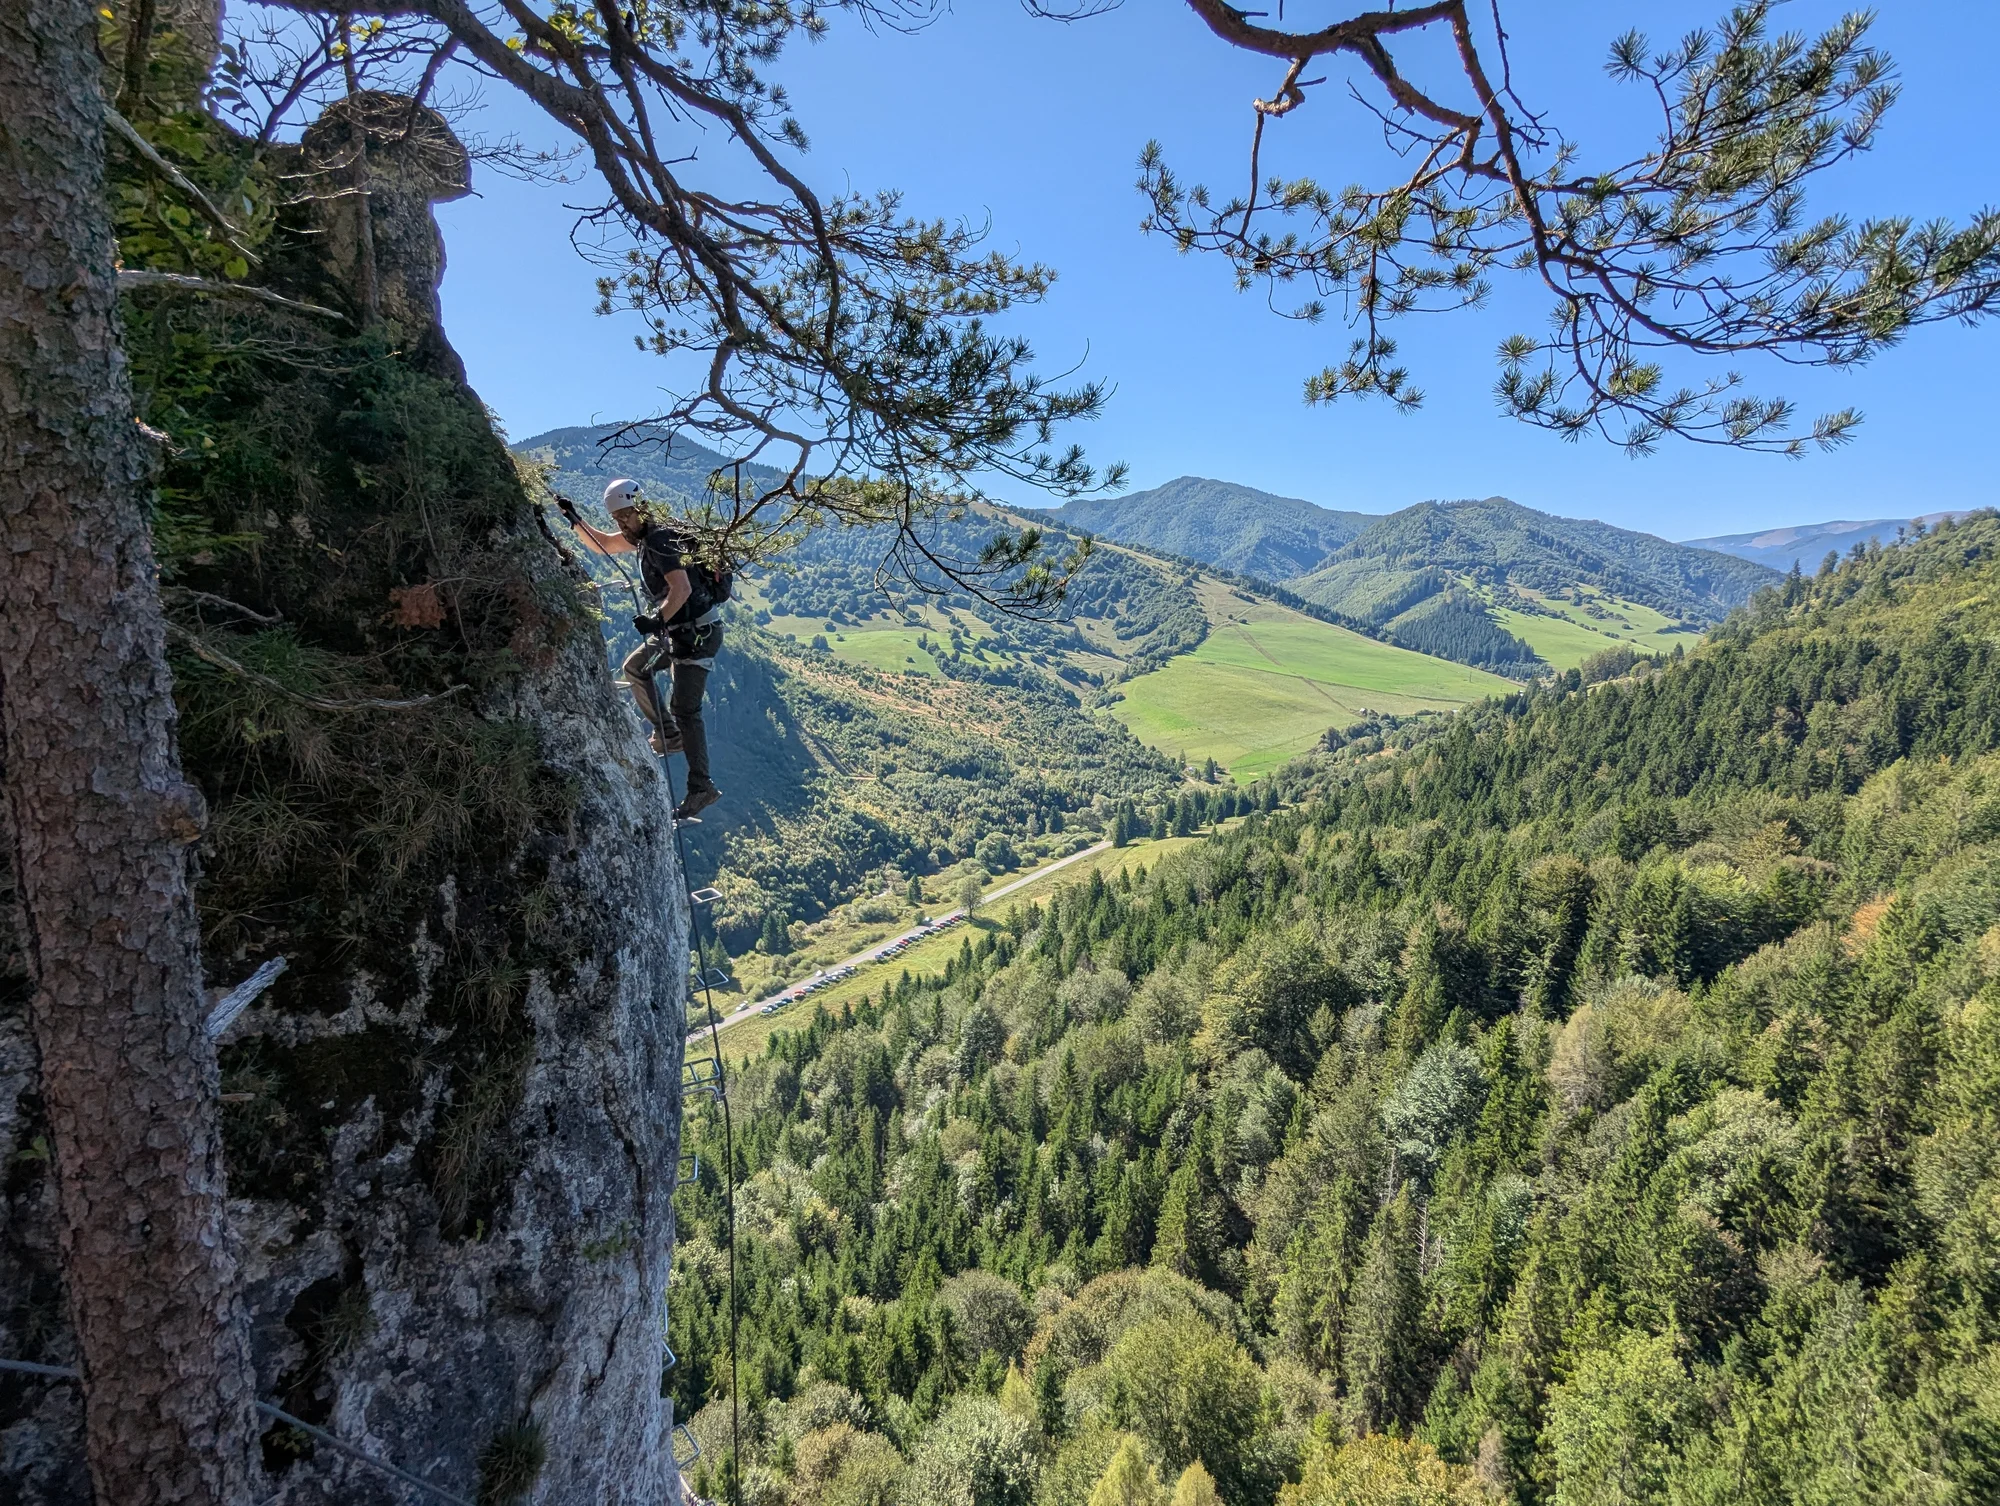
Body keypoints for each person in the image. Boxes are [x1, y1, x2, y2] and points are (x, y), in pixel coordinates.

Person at [567, 478, 723, 821]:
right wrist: (575, 520)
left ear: (640, 509)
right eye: (618, 518)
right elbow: (603, 544)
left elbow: (679, 589)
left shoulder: (660, 539)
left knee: (686, 708)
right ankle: (668, 734)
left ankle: (701, 787)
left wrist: (655, 620)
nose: (622, 524)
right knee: (636, 668)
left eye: (626, 516)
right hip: (679, 631)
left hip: (696, 634)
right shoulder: (642, 539)